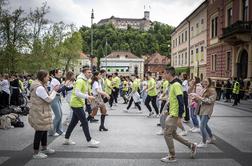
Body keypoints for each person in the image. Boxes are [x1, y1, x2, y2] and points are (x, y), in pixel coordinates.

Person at [161, 67, 197, 163]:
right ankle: (191, 145)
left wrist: (179, 116)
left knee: (166, 134)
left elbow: (181, 101)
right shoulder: (172, 84)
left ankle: (172, 156)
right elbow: (172, 100)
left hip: (175, 114)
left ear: (169, 74)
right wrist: (167, 110)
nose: (163, 75)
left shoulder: (176, 85)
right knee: (173, 134)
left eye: (164, 73)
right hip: (172, 112)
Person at [63, 67, 100, 147]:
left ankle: (66, 139)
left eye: (91, 72)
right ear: (84, 73)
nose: (90, 74)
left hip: (78, 103)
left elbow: (85, 91)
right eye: (88, 72)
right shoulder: (80, 81)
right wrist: (88, 97)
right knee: (85, 122)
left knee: (73, 122)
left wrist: (88, 98)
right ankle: (89, 140)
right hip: (76, 104)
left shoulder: (85, 80)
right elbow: (77, 93)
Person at [28, 70, 59, 159]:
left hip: (41, 111)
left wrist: (52, 91)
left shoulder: (40, 85)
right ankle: (36, 153)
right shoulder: (39, 87)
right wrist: (54, 91)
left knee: (44, 129)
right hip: (39, 112)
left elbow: (45, 97)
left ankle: (44, 148)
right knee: (39, 131)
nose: (48, 78)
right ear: (43, 77)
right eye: (47, 76)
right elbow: (48, 99)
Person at [192, 78, 217, 148]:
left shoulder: (212, 90)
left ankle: (204, 142)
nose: (205, 83)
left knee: (202, 126)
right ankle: (212, 138)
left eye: (206, 82)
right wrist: (195, 99)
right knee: (205, 125)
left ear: (209, 82)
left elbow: (210, 101)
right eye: (203, 82)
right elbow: (201, 100)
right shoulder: (204, 89)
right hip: (201, 109)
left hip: (207, 110)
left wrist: (199, 98)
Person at [48, 69, 64, 136]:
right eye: (59, 72)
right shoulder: (54, 80)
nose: (61, 73)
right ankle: (51, 131)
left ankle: (59, 130)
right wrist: (64, 85)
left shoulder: (58, 80)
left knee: (61, 114)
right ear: (55, 73)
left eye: (61, 72)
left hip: (57, 98)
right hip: (54, 98)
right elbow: (58, 90)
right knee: (58, 115)